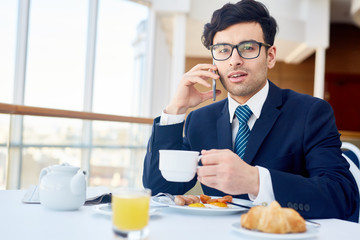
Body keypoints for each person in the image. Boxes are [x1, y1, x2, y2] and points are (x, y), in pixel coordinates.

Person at [142, 0, 359, 222]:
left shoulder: (310, 113)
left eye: (248, 48)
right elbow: (159, 186)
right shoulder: (200, 119)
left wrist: (255, 180)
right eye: (223, 50)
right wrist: (176, 110)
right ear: (214, 60)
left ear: (271, 56)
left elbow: (342, 197)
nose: (234, 61)